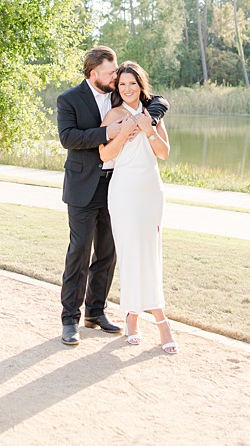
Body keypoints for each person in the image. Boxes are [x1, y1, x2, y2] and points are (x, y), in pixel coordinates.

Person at [54, 45, 168, 346]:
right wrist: (110, 132)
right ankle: (70, 319)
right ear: (95, 74)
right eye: (111, 72)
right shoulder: (68, 100)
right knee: (79, 251)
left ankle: (96, 311)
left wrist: (153, 116)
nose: (116, 75)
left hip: (117, 185)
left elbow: (155, 99)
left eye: (117, 71)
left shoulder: (119, 93)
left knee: (108, 252)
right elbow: (68, 138)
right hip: (84, 186)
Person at [99, 61, 177, 354]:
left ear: (140, 85)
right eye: (122, 85)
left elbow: (164, 153)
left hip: (150, 191)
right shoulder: (114, 114)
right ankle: (146, 319)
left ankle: (142, 316)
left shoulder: (152, 114)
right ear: (117, 89)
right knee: (131, 254)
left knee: (151, 254)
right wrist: (124, 132)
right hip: (123, 192)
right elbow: (105, 154)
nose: (127, 89)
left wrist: (148, 129)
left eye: (132, 83)